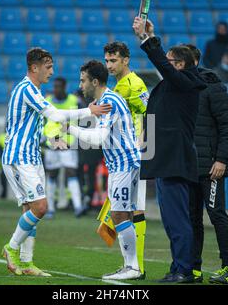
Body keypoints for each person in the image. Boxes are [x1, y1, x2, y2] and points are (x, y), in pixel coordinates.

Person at [1, 48, 111, 277]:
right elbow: (56, 116)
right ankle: (11, 247)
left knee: (30, 210)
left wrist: (50, 138)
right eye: (48, 67)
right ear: (34, 67)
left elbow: (34, 123)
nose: (52, 71)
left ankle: (26, 262)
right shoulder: (26, 88)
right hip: (19, 157)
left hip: (31, 155)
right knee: (41, 207)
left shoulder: (35, 91)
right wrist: (88, 111)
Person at [132, 17, 206, 283]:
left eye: (171, 61)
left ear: (182, 65)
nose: (166, 63)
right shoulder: (174, 84)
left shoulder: (186, 82)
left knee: (177, 220)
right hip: (165, 159)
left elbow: (162, 63)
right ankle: (179, 267)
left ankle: (184, 269)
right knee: (172, 220)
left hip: (174, 160)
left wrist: (146, 39)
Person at [66, 60, 142, 280]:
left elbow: (99, 138)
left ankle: (132, 268)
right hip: (123, 163)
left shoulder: (109, 101)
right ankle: (131, 266)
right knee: (123, 212)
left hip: (124, 164)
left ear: (95, 81)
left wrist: (71, 129)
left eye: (83, 80)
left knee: (119, 213)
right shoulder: (105, 100)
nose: (81, 85)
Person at [185, 44, 228, 284]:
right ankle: (194, 269)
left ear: (193, 61)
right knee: (193, 218)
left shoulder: (213, 87)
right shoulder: (182, 89)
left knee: (216, 214)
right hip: (188, 166)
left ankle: (227, 269)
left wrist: (222, 160)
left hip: (211, 168)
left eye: (179, 61)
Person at [103, 41, 149, 278]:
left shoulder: (134, 83)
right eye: (107, 61)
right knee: (129, 210)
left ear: (125, 60)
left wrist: (143, 143)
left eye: (114, 60)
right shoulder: (118, 85)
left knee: (135, 210)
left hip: (136, 154)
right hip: (124, 154)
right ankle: (132, 266)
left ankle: (135, 266)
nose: (109, 65)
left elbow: (150, 114)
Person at [43, 77, 84, 218]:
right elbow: (42, 121)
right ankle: (50, 208)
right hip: (52, 144)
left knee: (71, 173)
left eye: (59, 87)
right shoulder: (47, 101)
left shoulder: (74, 100)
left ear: (64, 87)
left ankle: (78, 206)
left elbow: (84, 115)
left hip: (69, 144)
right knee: (52, 175)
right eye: (54, 87)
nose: (56, 89)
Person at [0, 131, 7, 199]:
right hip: (7, 161)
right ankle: (4, 194)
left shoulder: (1, 137)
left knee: (3, 178)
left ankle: (4, 194)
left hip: (4, 161)